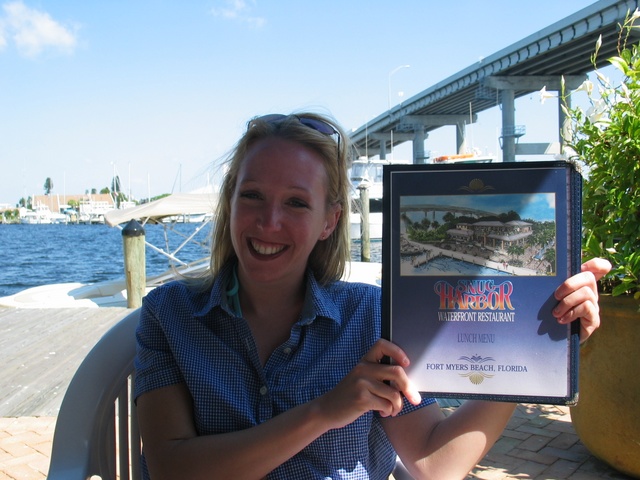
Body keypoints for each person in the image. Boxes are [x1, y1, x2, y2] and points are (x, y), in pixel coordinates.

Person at [134, 112, 611, 480]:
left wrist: (537, 350)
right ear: (230, 202)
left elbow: (435, 464)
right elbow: (172, 468)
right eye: (252, 195)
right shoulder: (170, 315)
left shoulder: (369, 317)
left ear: (330, 221)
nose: (269, 221)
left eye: (297, 202)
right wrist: (324, 411)